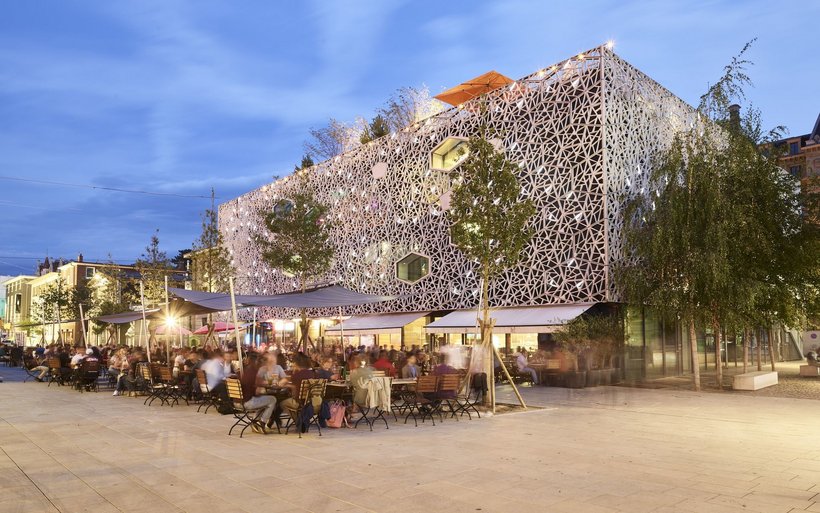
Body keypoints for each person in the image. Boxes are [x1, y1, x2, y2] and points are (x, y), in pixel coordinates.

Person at [239, 353, 276, 434]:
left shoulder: (247, 371)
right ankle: (262, 422)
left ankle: (255, 422)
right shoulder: (255, 372)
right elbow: (257, 390)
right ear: (256, 362)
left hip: (241, 401)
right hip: (249, 402)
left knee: (265, 399)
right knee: (272, 399)